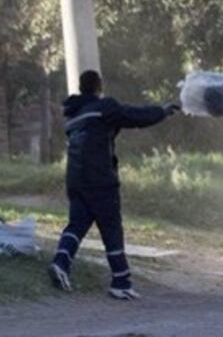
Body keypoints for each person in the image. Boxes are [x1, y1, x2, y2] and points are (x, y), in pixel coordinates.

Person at [48, 70, 179, 300]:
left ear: (81, 88)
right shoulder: (104, 107)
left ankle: (60, 263)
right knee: (111, 229)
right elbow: (133, 116)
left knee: (76, 225)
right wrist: (162, 111)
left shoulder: (74, 115)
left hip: (76, 179)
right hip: (100, 179)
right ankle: (121, 281)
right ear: (99, 87)